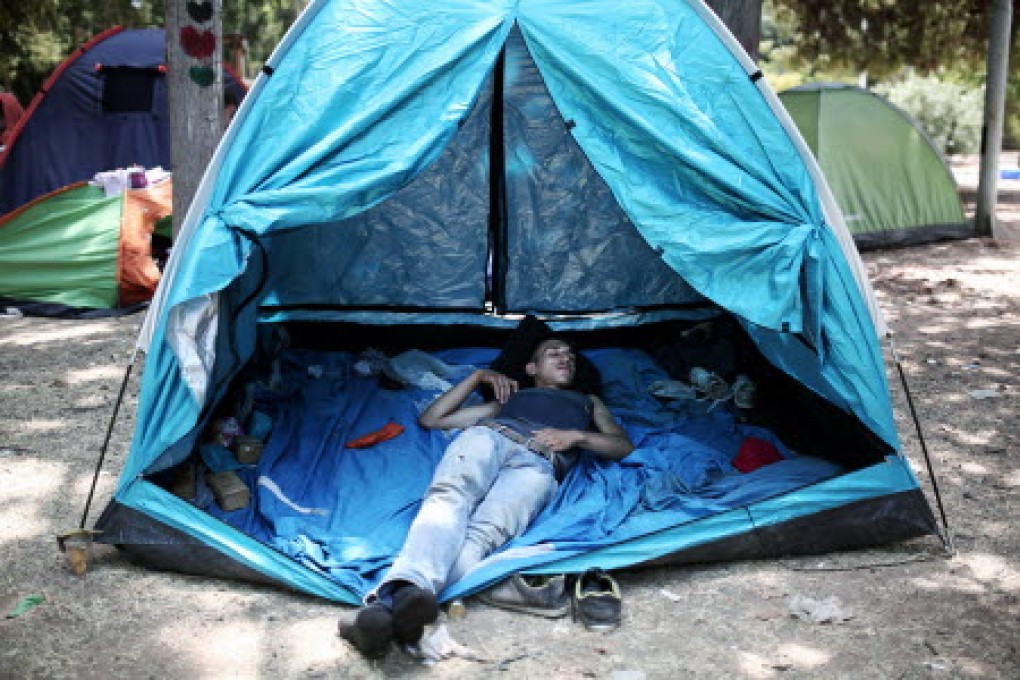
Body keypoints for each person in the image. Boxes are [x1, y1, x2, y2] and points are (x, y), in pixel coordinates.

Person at [339, 337, 634, 659]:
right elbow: (432, 419)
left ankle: (388, 605)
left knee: (486, 534)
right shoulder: (513, 399)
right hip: (491, 437)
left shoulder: (586, 402)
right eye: (554, 352)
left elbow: (622, 447)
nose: (565, 358)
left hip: (539, 464)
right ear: (531, 368)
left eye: (570, 356)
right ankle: (403, 601)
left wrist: (578, 436)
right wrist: (479, 377)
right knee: (449, 500)